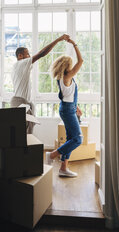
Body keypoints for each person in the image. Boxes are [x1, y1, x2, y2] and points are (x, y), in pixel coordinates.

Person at [11, 34, 70, 134]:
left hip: (21, 104)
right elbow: (42, 53)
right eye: (27, 54)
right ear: (20, 56)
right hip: (20, 105)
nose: (29, 56)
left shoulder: (16, 67)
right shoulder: (22, 63)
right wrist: (59, 39)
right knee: (22, 136)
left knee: (23, 136)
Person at [46, 38, 83, 177]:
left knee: (70, 139)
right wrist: (75, 44)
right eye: (71, 63)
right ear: (67, 65)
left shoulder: (65, 77)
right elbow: (81, 61)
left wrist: (76, 107)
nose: (74, 65)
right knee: (78, 139)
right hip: (67, 110)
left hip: (69, 108)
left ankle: (63, 168)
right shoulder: (67, 76)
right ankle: (52, 155)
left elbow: (69, 94)